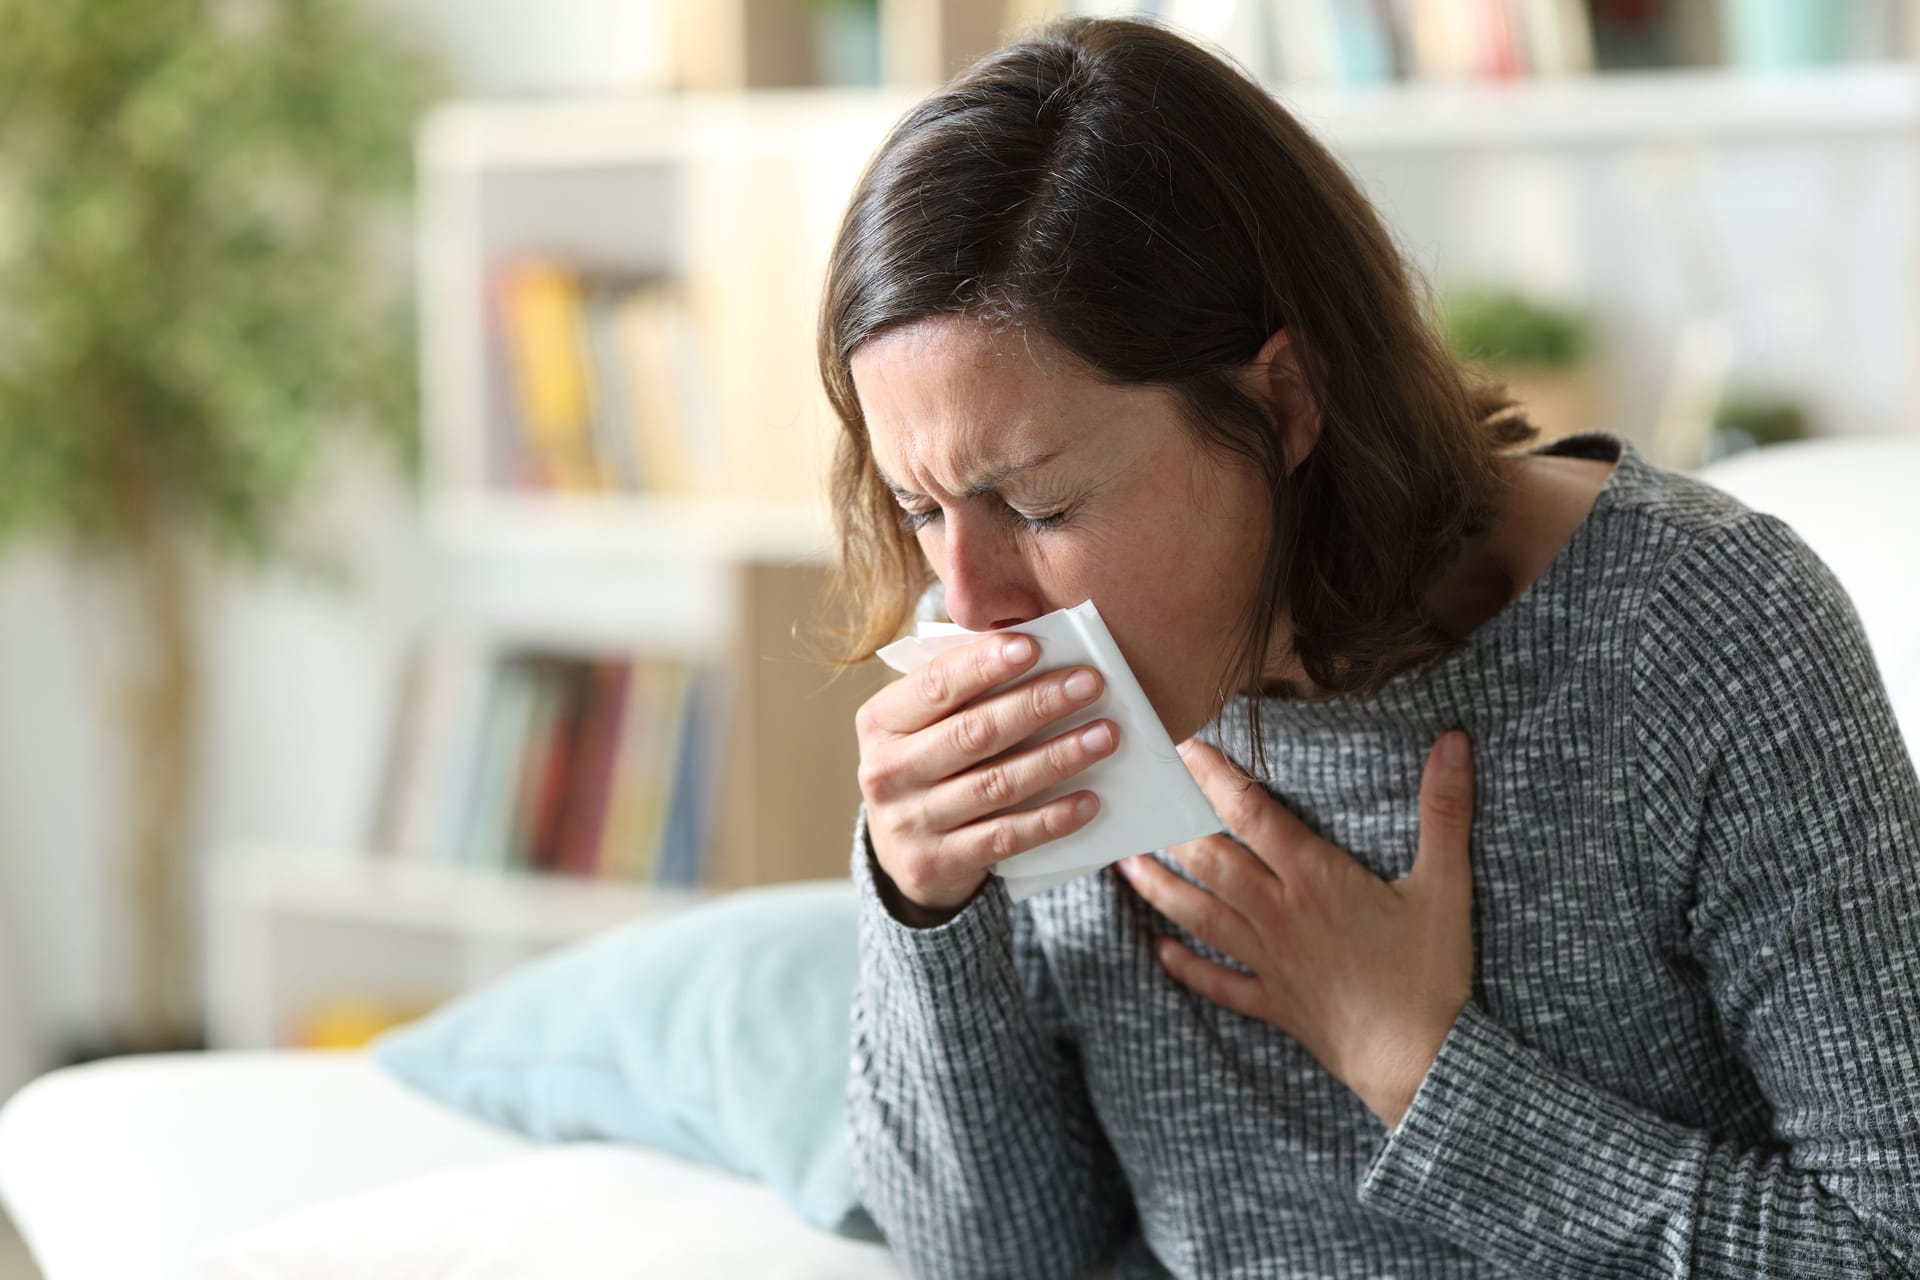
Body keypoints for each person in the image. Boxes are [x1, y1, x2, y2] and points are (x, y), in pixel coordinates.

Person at [814, 16, 1920, 1278]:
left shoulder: (1697, 630)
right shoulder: (999, 664)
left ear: (1285, 402)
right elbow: (997, 1253)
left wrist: (1421, 1067)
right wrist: (921, 906)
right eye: (918, 508)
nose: (970, 602)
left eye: (1043, 506)